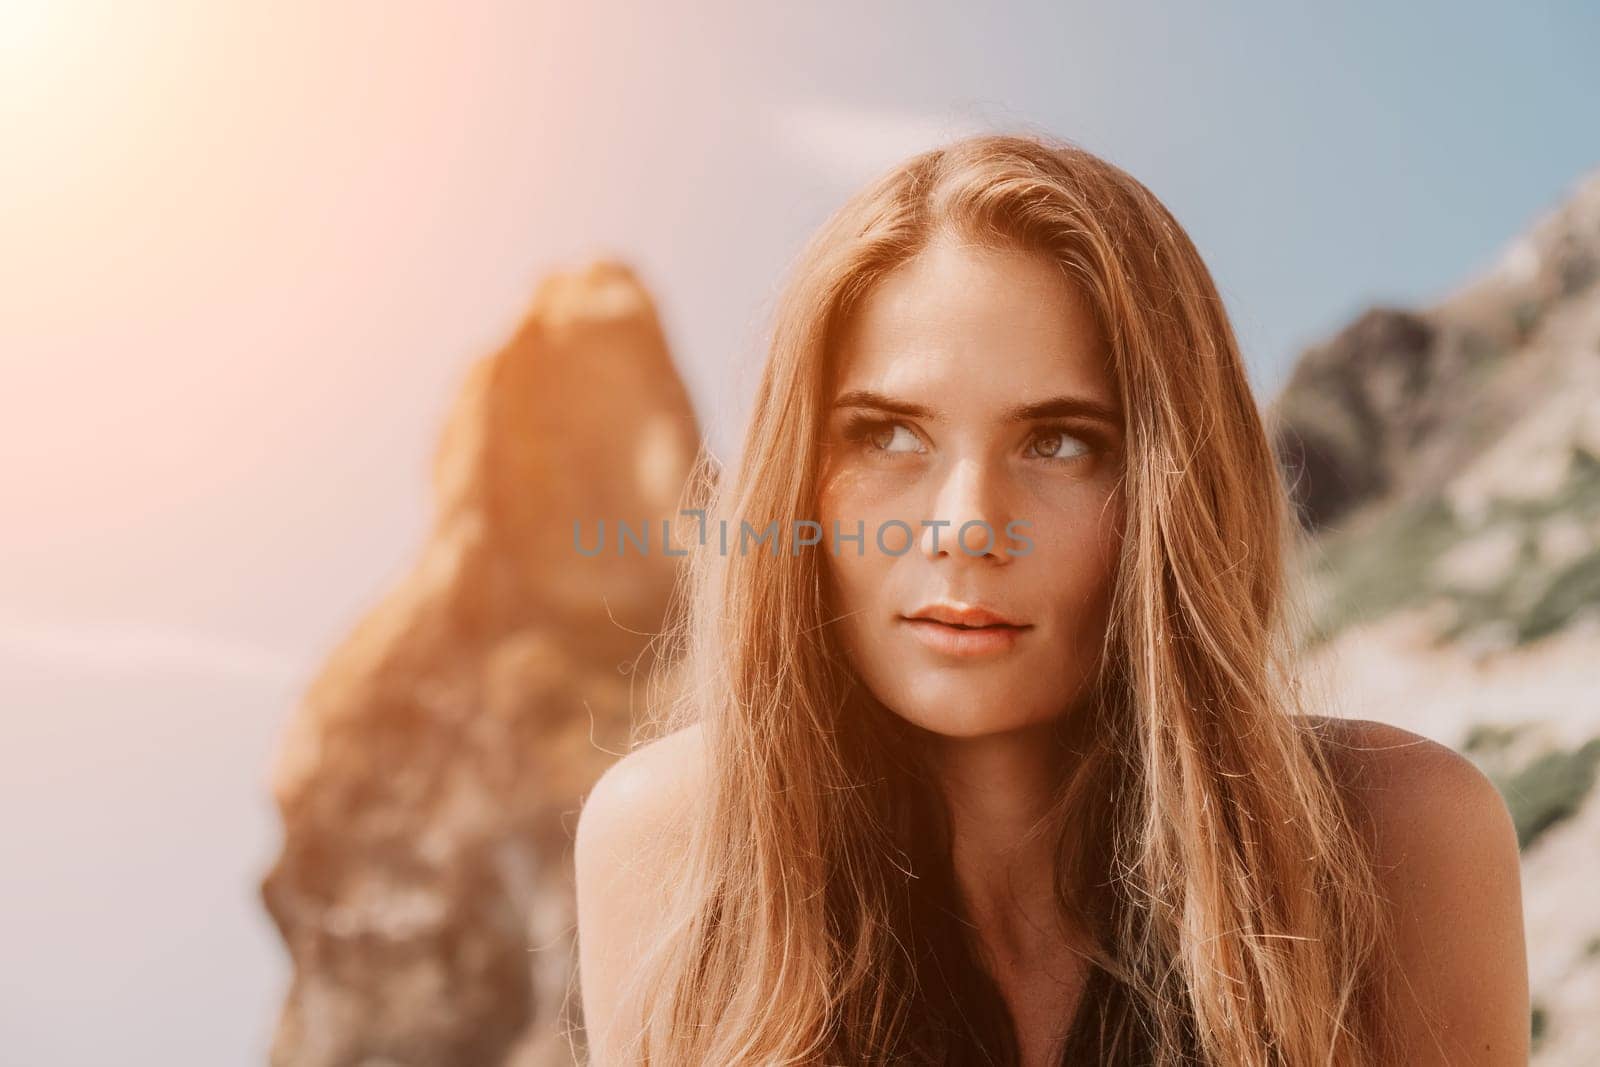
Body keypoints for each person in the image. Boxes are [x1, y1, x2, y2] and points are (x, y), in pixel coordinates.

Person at [572, 132, 1529, 1065]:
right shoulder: (669, 849)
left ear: (1173, 492)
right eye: (890, 436)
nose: (964, 526)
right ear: (797, 474)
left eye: (1061, 442)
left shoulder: (1402, 838)